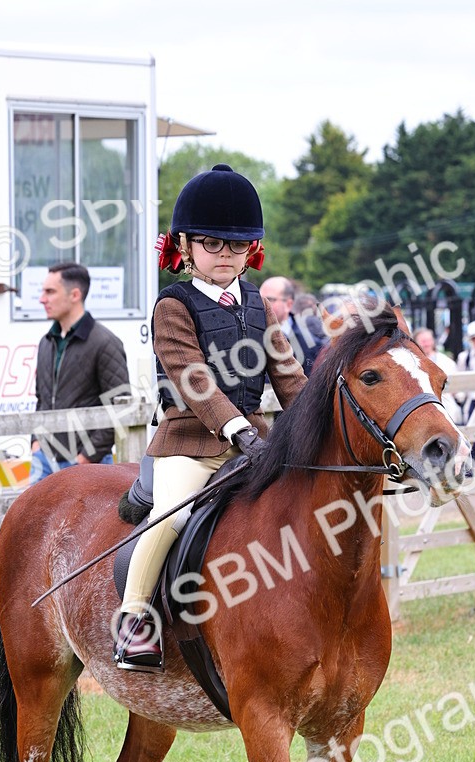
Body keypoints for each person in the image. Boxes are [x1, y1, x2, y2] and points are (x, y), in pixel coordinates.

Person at [115, 164, 307, 671]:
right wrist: (238, 429)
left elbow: (288, 375)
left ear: (252, 249)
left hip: (254, 440)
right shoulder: (173, 306)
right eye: (212, 243)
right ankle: (135, 619)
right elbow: (193, 379)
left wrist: (316, 421)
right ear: (186, 244)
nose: (225, 255)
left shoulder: (258, 304)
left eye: (236, 245)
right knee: (173, 515)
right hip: (189, 444)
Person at [31, 261, 131, 483]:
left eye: (50, 292)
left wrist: (84, 458)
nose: (42, 299)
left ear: (75, 294)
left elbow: (119, 409)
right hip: (43, 460)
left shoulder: (105, 343)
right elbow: (41, 400)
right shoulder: (46, 342)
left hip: (85, 465)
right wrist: (35, 443)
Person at [259, 276, 328, 377]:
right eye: (257, 299)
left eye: (269, 300)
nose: (261, 304)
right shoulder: (249, 335)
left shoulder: (311, 344)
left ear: (288, 304)